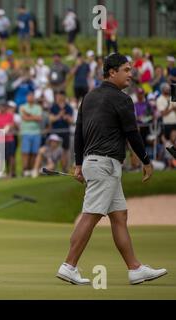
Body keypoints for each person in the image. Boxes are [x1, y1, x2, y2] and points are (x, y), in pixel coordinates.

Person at [56, 53, 167, 285]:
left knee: (119, 216)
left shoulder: (89, 97)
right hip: (105, 164)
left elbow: (79, 133)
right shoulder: (122, 99)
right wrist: (146, 161)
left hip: (97, 163)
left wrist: (78, 164)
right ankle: (69, 265)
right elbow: (132, 134)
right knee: (91, 215)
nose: (131, 74)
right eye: (126, 70)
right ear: (112, 72)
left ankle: (135, 269)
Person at [49, 91, 73, 172]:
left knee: (65, 150)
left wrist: (65, 117)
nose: (58, 97)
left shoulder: (68, 107)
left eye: (60, 96)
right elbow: (51, 119)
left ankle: (64, 169)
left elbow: (71, 120)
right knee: (54, 149)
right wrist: (60, 115)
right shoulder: (53, 107)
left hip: (65, 131)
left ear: (63, 97)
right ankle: (53, 167)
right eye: (57, 96)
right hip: (56, 132)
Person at [20, 92, 42, 176]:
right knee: (25, 152)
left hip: (36, 132)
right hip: (26, 132)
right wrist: (34, 117)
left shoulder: (38, 107)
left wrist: (28, 114)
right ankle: (25, 169)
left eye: (32, 96)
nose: (30, 98)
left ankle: (32, 169)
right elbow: (24, 118)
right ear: (26, 98)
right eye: (29, 96)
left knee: (34, 152)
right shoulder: (22, 107)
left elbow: (39, 118)